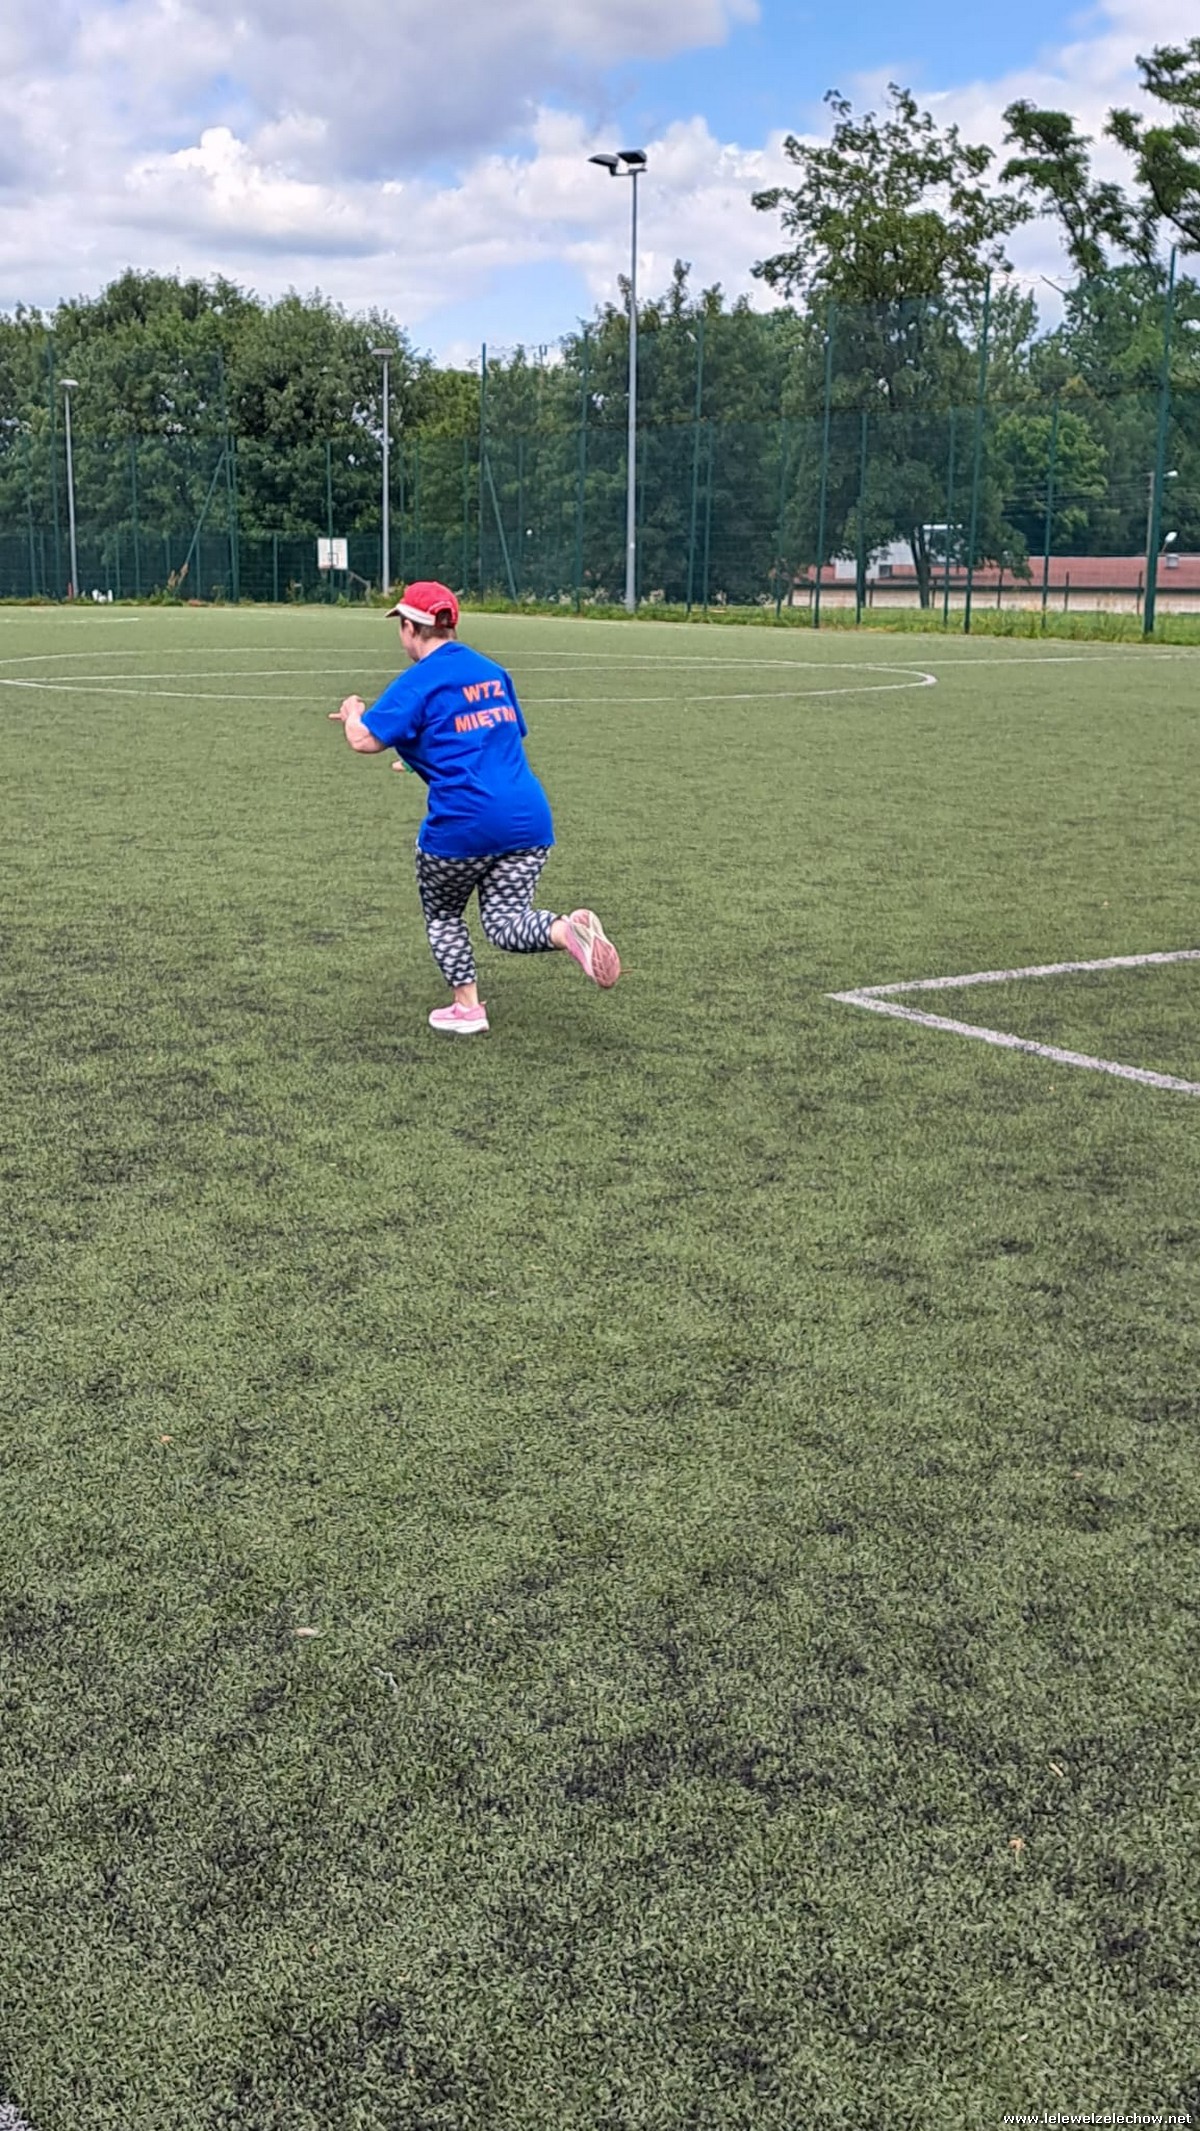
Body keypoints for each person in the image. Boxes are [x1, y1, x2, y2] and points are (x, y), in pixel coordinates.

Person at [330, 580, 619, 1035]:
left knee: (444, 915)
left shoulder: (418, 681)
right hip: (528, 821)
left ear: (410, 628)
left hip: (462, 825)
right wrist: (418, 759)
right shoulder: (492, 672)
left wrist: (352, 713)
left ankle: (467, 1008)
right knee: (506, 922)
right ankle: (566, 932)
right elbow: (489, 736)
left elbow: (364, 740)